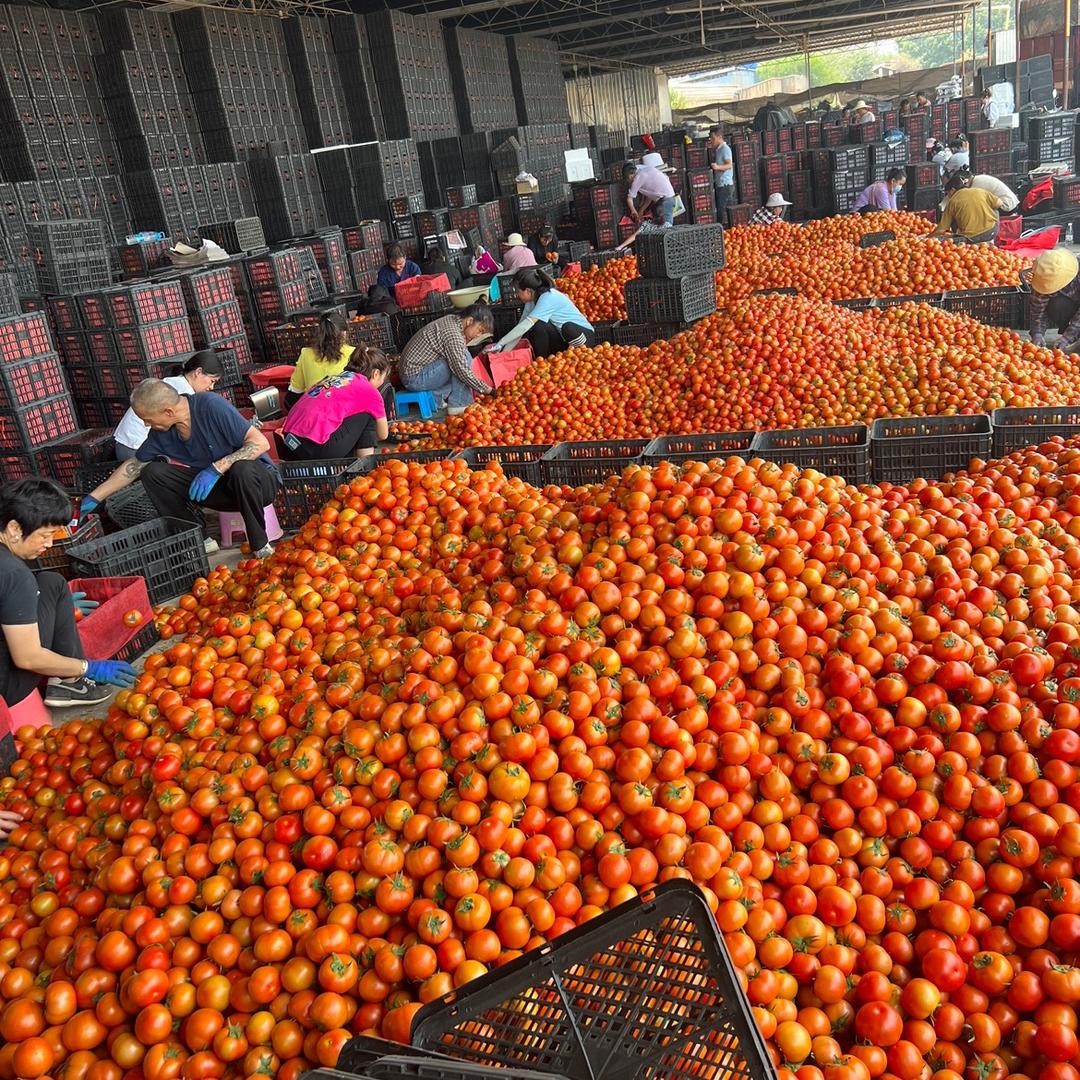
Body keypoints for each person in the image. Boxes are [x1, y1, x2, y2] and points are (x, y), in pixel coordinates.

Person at [83, 381, 280, 558]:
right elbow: (133, 468)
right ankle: (198, 539)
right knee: (153, 472)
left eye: (147, 419)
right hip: (221, 491)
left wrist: (216, 468)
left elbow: (260, 443)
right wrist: (94, 497)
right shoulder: (162, 433)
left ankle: (261, 546)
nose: (145, 424)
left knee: (241, 469)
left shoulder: (210, 406)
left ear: (168, 412)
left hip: (257, 485)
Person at [0, 479, 137, 714]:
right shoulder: (14, 574)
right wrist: (87, 667)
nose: (49, 544)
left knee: (50, 583)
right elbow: (28, 658)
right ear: (14, 528)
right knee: (51, 584)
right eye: (45, 535)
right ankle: (72, 683)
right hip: (7, 687)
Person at [281, 347, 392, 461]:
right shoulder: (369, 391)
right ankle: (365, 468)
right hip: (317, 449)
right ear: (376, 373)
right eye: (384, 377)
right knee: (369, 416)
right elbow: (383, 434)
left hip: (289, 445)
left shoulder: (333, 378)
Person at [114, 350, 225, 460]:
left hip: (126, 443)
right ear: (198, 372)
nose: (211, 388)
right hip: (134, 447)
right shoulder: (181, 394)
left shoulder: (173, 383)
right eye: (212, 381)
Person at [398, 304, 494, 416]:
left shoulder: (452, 320)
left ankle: (436, 398)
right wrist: (488, 390)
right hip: (414, 378)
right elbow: (461, 371)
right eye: (479, 330)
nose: (478, 335)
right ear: (469, 321)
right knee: (461, 362)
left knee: (462, 356)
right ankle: (459, 405)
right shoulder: (453, 334)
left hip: (418, 373)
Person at [490, 268, 595, 359]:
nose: (516, 295)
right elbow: (521, 329)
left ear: (528, 291)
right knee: (540, 325)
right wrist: (503, 353)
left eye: (517, 292)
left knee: (567, 327)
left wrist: (501, 342)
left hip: (583, 337)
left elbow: (526, 325)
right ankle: (543, 362)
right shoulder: (531, 302)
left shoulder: (548, 297)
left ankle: (579, 356)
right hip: (565, 340)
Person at [285, 312, 354, 409]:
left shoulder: (306, 354)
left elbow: (294, 394)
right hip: (346, 414)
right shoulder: (354, 353)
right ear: (344, 332)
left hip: (315, 416)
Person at [1028, 249, 1080, 348]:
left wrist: (1068, 338)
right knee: (1058, 304)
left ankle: (1075, 335)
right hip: (1071, 305)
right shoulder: (1043, 275)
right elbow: (1037, 311)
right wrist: (1037, 333)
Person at [932, 170, 1003, 243]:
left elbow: (941, 230)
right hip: (992, 231)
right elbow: (999, 203)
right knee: (994, 207)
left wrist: (927, 238)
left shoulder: (952, 202)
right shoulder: (980, 191)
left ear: (952, 190)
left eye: (947, 193)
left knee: (947, 239)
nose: (948, 196)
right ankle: (990, 240)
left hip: (972, 237)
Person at [625, 153, 676, 227]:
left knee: (666, 226)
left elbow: (629, 199)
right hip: (669, 198)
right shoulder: (644, 170)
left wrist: (633, 211)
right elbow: (649, 197)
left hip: (665, 200)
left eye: (627, 179)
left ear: (630, 175)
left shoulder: (638, 177)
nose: (629, 181)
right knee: (664, 224)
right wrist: (641, 210)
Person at [708, 126, 735, 222]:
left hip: (725, 186)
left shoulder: (725, 149)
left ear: (719, 137)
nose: (711, 140)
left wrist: (717, 167)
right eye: (710, 138)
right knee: (726, 210)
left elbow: (729, 165)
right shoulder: (718, 149)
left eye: (713, 138)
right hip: (721, 185)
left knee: (721, 211)